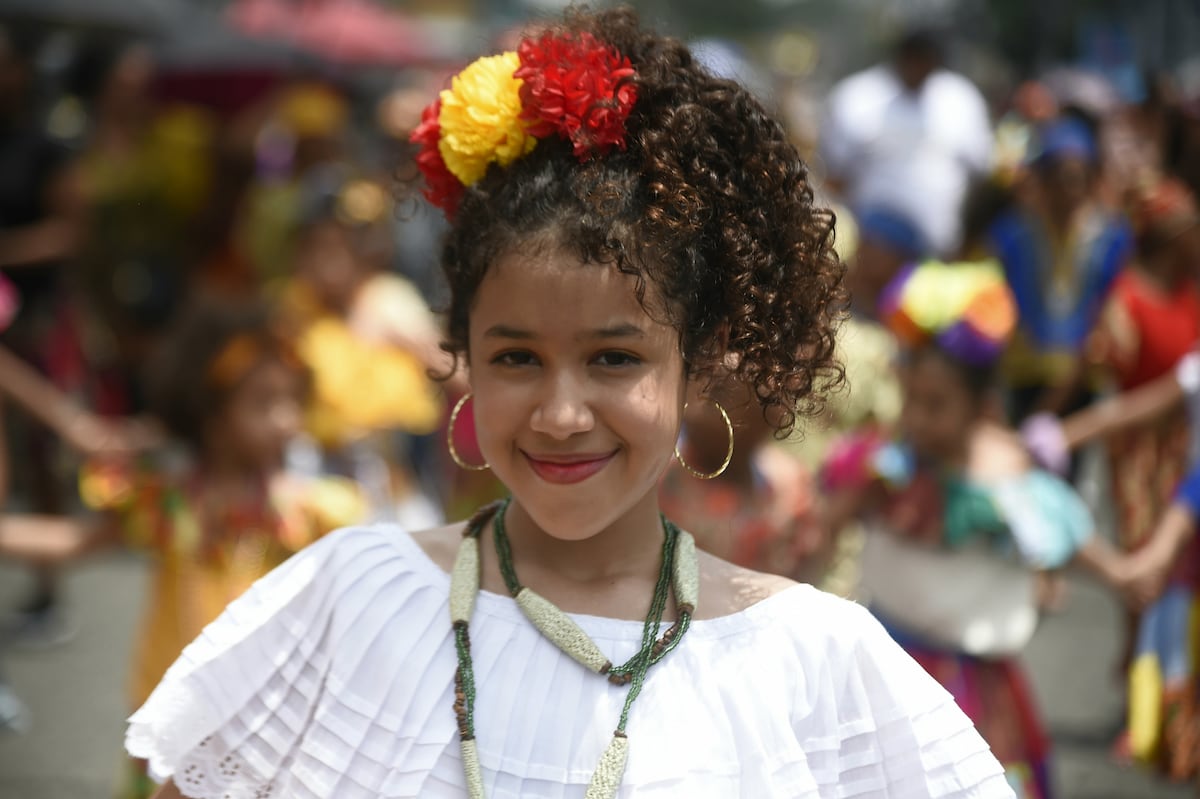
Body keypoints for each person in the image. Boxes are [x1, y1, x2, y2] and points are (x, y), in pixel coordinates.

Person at [129, 9, 1014, 798]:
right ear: (463, 350)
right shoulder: (354, 598)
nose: (559, 413)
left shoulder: (812, 661)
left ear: (702, 361)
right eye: (515, 356)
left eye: (613, 357)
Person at [822, 259, 1136, 798]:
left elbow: (1067, 534)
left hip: (971, 691)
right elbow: (827, 521)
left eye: (937, 405)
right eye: (911, 401)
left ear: (983, 406)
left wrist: (1123, 575)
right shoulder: (887, 466)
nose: (918, 419)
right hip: (879, 668)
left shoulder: (1010, 480)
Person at [64, 301, 366, 797]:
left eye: (293, 401)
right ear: (211, 411)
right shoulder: (169, 505)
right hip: (175, 732)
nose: (288, 421)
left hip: (273, 737)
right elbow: (76, 542)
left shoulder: (309, 512)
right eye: (264, 403)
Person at [820, 27, 993, 258]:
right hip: (870, 255)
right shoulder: (858, 96)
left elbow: (981, 174)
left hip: (939, 251)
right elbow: (834, 176)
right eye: (912, 57)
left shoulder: (961, 99)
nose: (917, 66)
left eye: (924, 58)